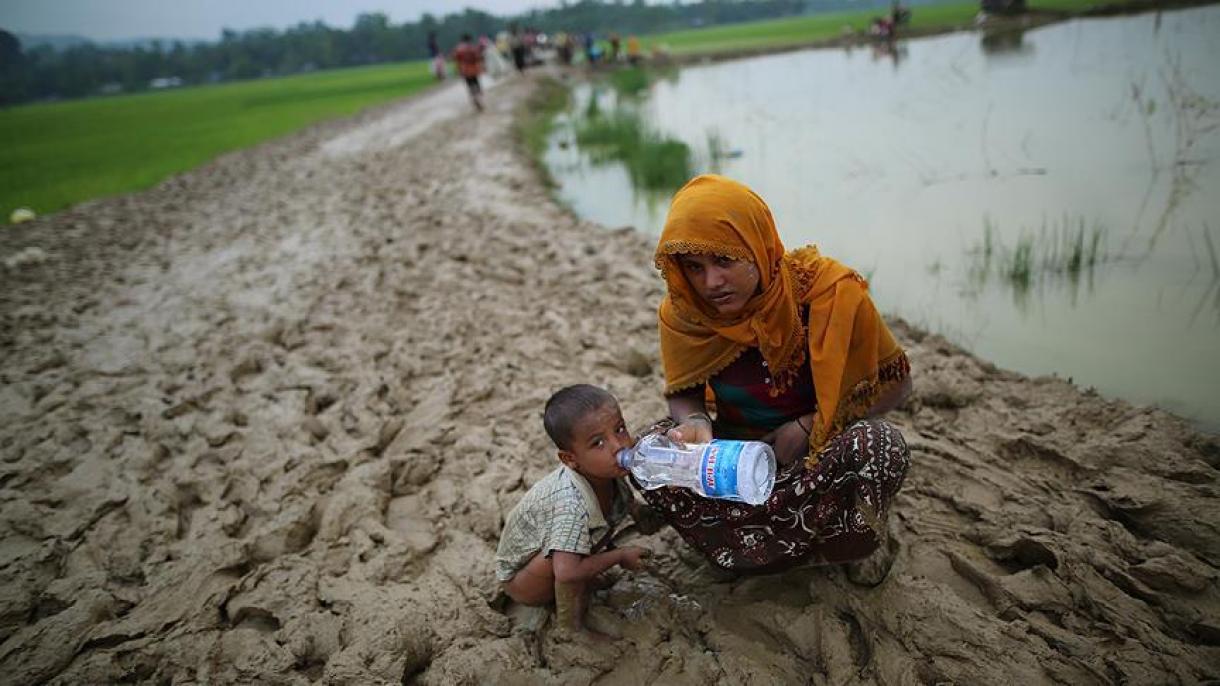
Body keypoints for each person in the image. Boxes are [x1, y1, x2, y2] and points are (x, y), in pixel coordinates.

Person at [640, 174, 913, 584]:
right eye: (695, 268)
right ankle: (752, 551)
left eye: (725, 261)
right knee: (651, 449)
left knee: (879, 446)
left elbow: (897, 386)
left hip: (814, 457)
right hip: (735, 463)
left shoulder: (828, 293)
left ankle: (833, 549)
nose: (711, 283)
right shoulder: (684, 313)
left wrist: (809, 425)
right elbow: (683, 393)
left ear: (757, 247)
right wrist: (695, 424)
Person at [495, 385, 657, 635]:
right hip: (525, 583)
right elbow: (567, 573)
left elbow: (635, 512)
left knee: (573, 550)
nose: (618, 445)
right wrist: (619, 556)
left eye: (620, 428)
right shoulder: (571, 503)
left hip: (557, 557)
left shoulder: (607, 472)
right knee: (570, 569)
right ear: (570, 459)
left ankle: (584, 571)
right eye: (598, 443)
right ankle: (569, 628)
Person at [451, 33, 485, 111]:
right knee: (476, 83)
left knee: (470, 85)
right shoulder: (472, 47)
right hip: (473, 69)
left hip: (464, 70)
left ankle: (474, 98)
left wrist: (458, 68)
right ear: (469, 39)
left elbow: (454, 58)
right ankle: (478, 98)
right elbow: (477, 57)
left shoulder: (458, 48)